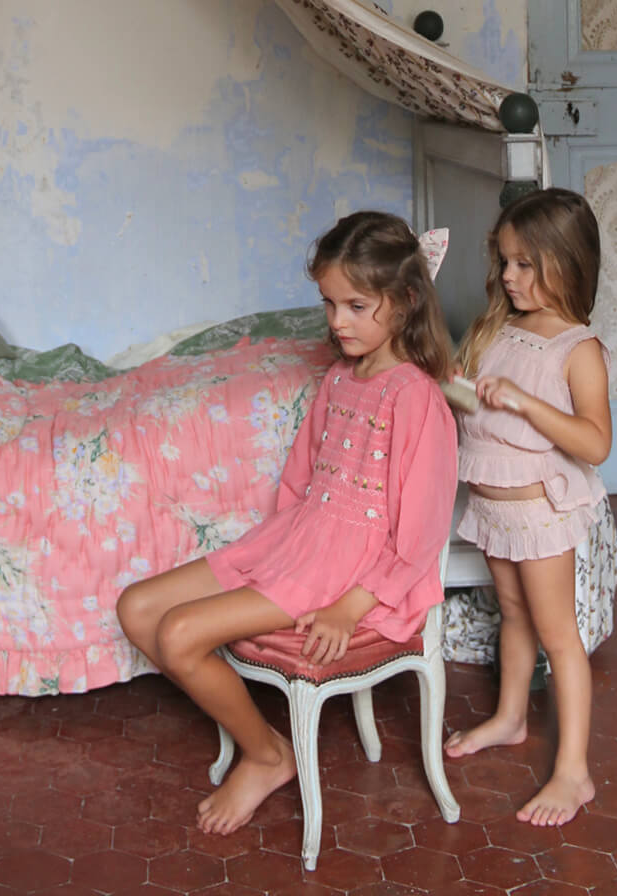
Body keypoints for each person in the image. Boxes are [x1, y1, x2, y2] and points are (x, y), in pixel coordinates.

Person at [116, 211, 457, 836]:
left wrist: (348, 607)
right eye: (329, 304)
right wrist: (271, 559)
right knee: (137, 608)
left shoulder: (415, 397)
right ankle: (259, 737)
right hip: (297, 544)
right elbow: (300, 482)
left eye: (356, 306)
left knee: (180, 633)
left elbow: (422, 535)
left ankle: (268, 756)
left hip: (348, 572)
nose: (337, 321)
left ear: (407, 301)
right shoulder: (339, 379)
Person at [443, 187, 611, 828]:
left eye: (523, 264)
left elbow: (595, 442)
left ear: (565, 263)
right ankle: (511, 717)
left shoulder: (577, 349)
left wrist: (525, 401)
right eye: (504, 262)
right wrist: (450, 386)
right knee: (511, 615)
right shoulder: (500, 327)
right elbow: (479, 409)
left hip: (540, 513)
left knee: (559, 638)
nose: (508, 277)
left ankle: (574, 771)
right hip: (492, 506)